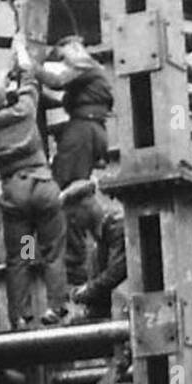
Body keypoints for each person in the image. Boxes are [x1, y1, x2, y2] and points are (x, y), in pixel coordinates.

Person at [0, 37, 68, 329]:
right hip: (42, 187)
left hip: (15, 196)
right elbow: (31, 77)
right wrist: (19, 51)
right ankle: (56, 307)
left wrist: (1, 81)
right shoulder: (25, 112)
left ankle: (20, 314)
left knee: (20, 257)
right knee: (52, 250)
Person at [32, 34, 113, 286]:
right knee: (73, 193)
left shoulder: (84, 65)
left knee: (67, 199)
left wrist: (29, 66)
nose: (64, 61)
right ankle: (98, 234)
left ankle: (63, 272)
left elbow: (55, 82)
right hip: (87, 131)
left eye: (64, 54)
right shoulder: (89, 75)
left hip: (25, 198)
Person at [60, 178, 128, 320]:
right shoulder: (95, 235)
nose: (73, 222)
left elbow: (116, 272)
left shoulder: (113, 228)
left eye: (73, 216)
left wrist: (27, 257)